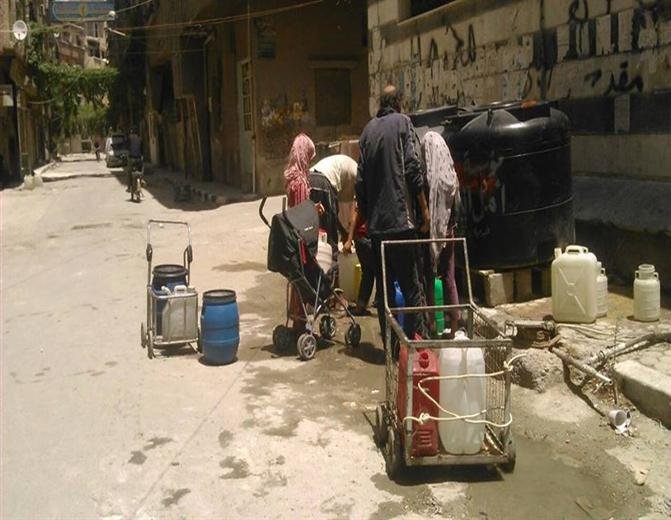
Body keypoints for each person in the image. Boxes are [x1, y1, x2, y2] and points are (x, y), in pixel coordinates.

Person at [355, 85, 430, 343]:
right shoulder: (402, 123)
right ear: (398, 103)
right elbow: (412, 168)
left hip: (377, 230)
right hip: (401, 223)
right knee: (412, 288)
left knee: (385, 291)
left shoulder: (367, 132)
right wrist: (424, 210)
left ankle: (391, 347)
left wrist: (368, 219)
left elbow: (360, 183)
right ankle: (418, 345)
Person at [421, 130, 461, 337]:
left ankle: (432, 327)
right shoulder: (451, 176)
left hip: (431, 233)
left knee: (429, 277)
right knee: (448, 277)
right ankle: (454, 326)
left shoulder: (429, 178)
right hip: (450, 231)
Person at [283, 133, 318, 333]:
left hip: (291, 236)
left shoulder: (291, 178)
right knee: (305, 280)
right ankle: (301, 322)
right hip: (300, 240)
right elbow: (303, 215)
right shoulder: (301, 183)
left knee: (296, 281)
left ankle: (297, 319)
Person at [126, 127, 142, 192]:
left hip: (132, 159)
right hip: (139, 159)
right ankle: (141, 180)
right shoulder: (140, 140)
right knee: (140, 171)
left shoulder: (129, 140)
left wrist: (127, 157)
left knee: (129, 172)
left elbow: (127, 150)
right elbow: (142, 150)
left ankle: (129, 187)